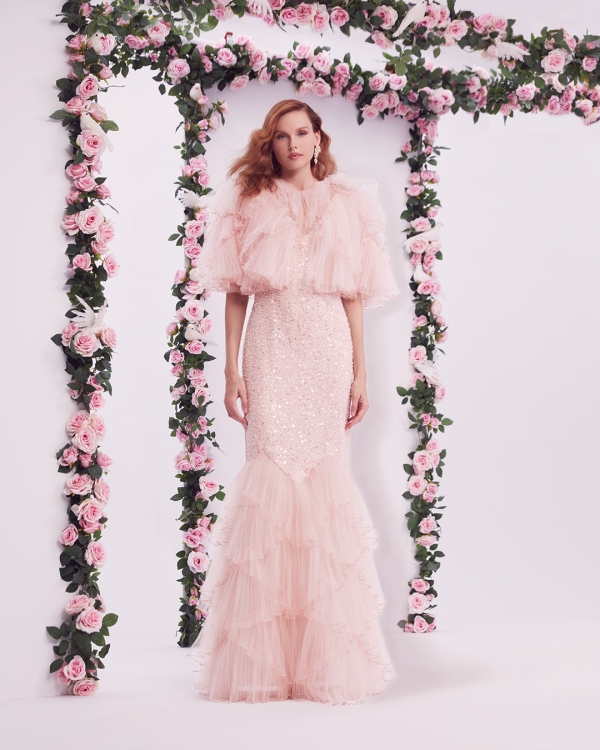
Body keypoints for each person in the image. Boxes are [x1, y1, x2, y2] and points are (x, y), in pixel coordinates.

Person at [189, 99, 399, 704]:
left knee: (323, 481)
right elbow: (235, 292)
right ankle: (265, 663)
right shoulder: (250, 199)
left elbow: (353, 294)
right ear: (271, 143)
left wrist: (361, 372)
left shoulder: (348, 202)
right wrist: (230, 368)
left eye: (302, 133)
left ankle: (322, 661)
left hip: (327, 349)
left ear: (317, 138)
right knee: (271, 475)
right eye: (282, 136)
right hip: (271, 345)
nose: (293, 144)